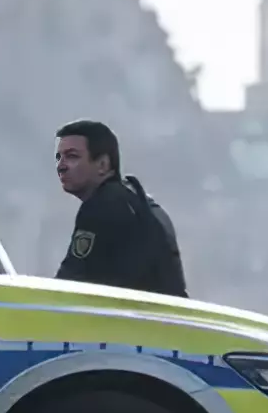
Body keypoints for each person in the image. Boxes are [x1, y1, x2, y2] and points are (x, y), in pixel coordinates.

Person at [53, 119, 188, 298]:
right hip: (166, 313)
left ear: (102, 165)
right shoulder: (141, 202)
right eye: (58, 157)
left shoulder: (101, 206)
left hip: (137, 314)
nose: (61, 166)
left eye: (72, 156)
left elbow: (67, 284)